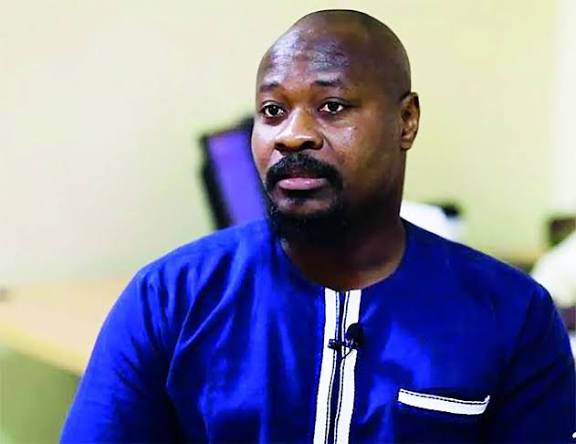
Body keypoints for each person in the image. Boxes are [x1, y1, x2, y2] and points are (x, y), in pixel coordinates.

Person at [61, 10, 575, 442]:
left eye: (332, 107)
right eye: (272, 110)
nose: (292, 135)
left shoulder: (511, 314)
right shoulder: (170, 298)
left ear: (406, 121)